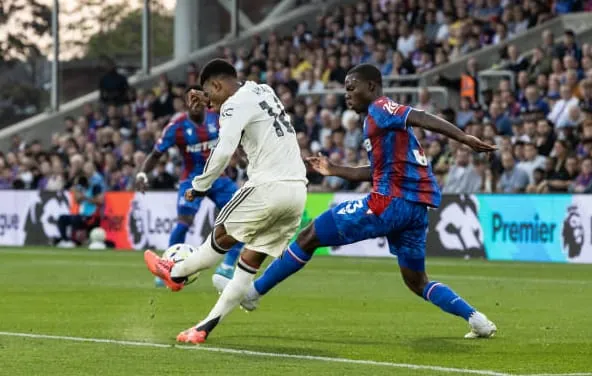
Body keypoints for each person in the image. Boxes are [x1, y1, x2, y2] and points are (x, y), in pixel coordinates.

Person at [238, 64, 498, 339]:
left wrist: (464, 138)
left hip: (389, 203)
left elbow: (419, 116)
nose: (347, 95)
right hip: (415, 208)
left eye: (352, 88)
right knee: (417, 281)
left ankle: (254, 293)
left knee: (310, 235)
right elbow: (376, 171)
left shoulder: (381, 109)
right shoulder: (378, 126)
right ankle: (477, 319)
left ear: (371, 87)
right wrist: (335, 169)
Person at [143, 59, 308, 344]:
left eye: (211, 96)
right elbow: (238, 107)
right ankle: (203, 328)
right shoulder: (264, 90)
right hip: (297, 193)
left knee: (220, 236)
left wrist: (199, 185)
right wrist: (207, 97)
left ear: (218, 85)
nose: (211, 108)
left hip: (267, 186)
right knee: (248, 262)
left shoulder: (233, 104)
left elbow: (222, 151)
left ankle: (177, 272)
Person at [135, 85, 243, 290]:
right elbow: (156, 154)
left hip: (218, 177)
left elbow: (235, 138)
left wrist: (242, 158)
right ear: (186, 102)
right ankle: (165, 268)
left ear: (204, 99)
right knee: (184, 221)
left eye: (197, 97)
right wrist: (142, 173)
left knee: (241, 215)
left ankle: (228, 266)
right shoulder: (176, 127)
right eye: (190, 98)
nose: (194, 102)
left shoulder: (217, 117)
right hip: (192, 180)